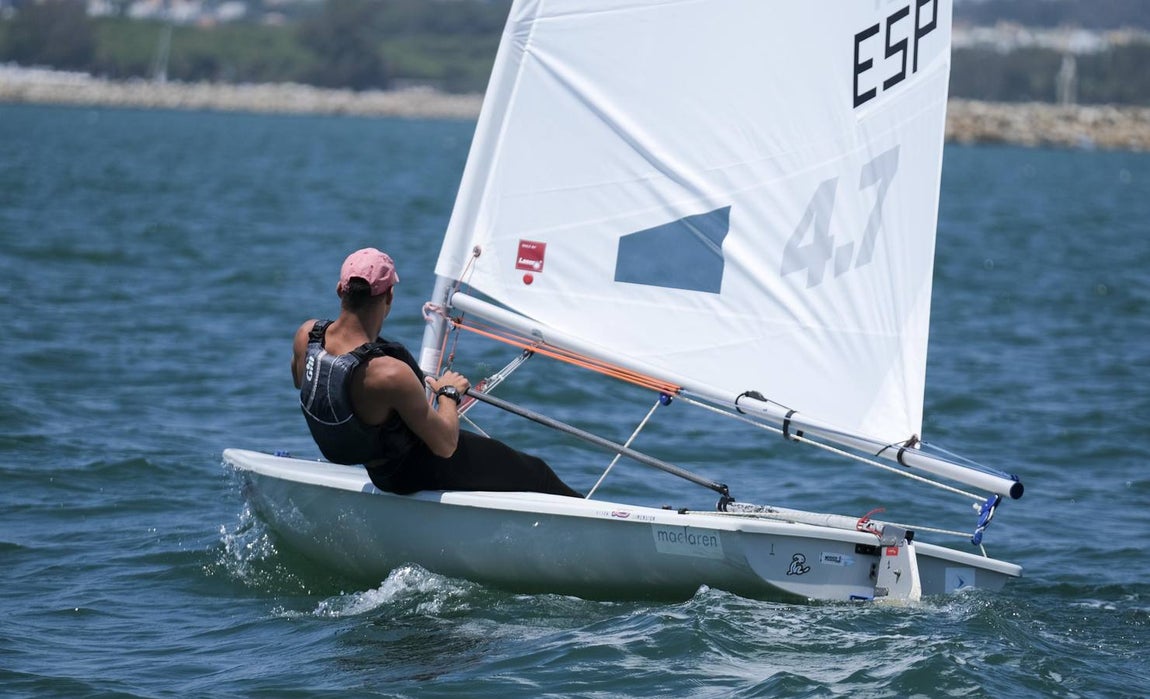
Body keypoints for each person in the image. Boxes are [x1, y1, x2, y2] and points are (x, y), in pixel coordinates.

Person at [292, 247, 581, 498]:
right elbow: (445, 445)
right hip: (414, 474)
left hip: (376, 469)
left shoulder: (308, 335)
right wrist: (448, 392)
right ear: (389, 296)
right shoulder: (389, 374)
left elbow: (302, 381)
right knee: (537, 473)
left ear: (340, 290)